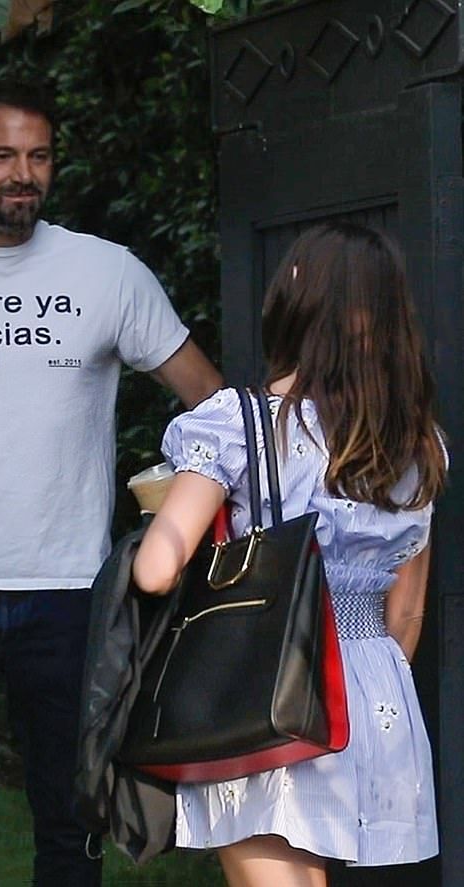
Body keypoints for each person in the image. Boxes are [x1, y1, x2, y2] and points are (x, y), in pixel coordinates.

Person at [0, 80, 222, 887]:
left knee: (70, 820)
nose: (22, 174)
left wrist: (171, 506)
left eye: (38, 156)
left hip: (72, 589)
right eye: (2, 155)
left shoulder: (106, 273)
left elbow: (214, 409)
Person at [132, 222, 448, 886]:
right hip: (374, 693)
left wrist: (162, 521)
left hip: (266, 682)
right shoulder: (418, 446)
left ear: (296, 294)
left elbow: (157, 568)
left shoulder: (236, 425)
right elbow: (408, 610)